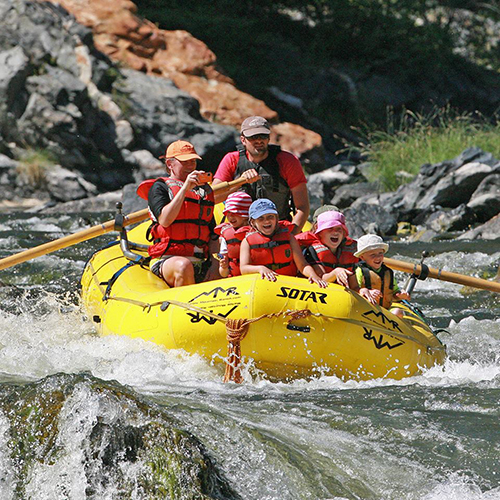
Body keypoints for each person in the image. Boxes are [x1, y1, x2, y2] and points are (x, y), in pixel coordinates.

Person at [141, 140, 220, 287]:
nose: (190, 166)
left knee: (226, 269)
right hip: (168, 260)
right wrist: (185, 189)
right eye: (185, 162)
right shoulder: (159, 188)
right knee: (183, 266)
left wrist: (215, 265)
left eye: (193, 161)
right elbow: (165, 220)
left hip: (200, 261)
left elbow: (213, 235)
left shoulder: (203, 193)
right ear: (170, 164)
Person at [213, 116, 309, 235]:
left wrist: (290, 236)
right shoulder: (231, 160)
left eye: (263, 136)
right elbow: (213, 197)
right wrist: (240, 182)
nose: (258, 141)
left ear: (269, 138)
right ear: (243, 140)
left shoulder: (287, 161)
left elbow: (303, 207)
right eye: (253, 137)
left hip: (278, 231)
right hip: (242, 231)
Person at [239, 198, 327, 288]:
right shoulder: (247, 242)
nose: (266, 221)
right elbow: (244, 268)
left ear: (276, 218)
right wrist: (260, 268)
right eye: (260, 218)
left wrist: (313, 275)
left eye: (270, 216)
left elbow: (302, 265)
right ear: (253, 222)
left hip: (287, 284)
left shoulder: (289, 237)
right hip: (262, 286)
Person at [297, 210, 358, 287]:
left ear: (343, 234)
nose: (335, 232)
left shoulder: (347, 251)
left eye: (339, 229)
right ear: (320, 233)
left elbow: (354, 286)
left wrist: (362, 290)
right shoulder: (312, 250)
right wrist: (335, 272)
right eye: (330, 228)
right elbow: (320, 279)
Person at [353, 234, 410, 317]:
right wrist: (367, 292)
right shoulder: (359, 271)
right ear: (362, 257)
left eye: (380, 253)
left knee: (398, 312)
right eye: (373, 255)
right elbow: (355, 289)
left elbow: (394, 292)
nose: (378, 257)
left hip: (385, 310)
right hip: (366, 310)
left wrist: (399, 294)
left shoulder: (388, 272)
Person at [214, 191, 252, 278]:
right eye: (228, 214)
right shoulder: (226, 236)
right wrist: (224, 267)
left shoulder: (257, 232)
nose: (230, 217)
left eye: (235, 213)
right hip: (235, 280)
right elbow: (223, 273)